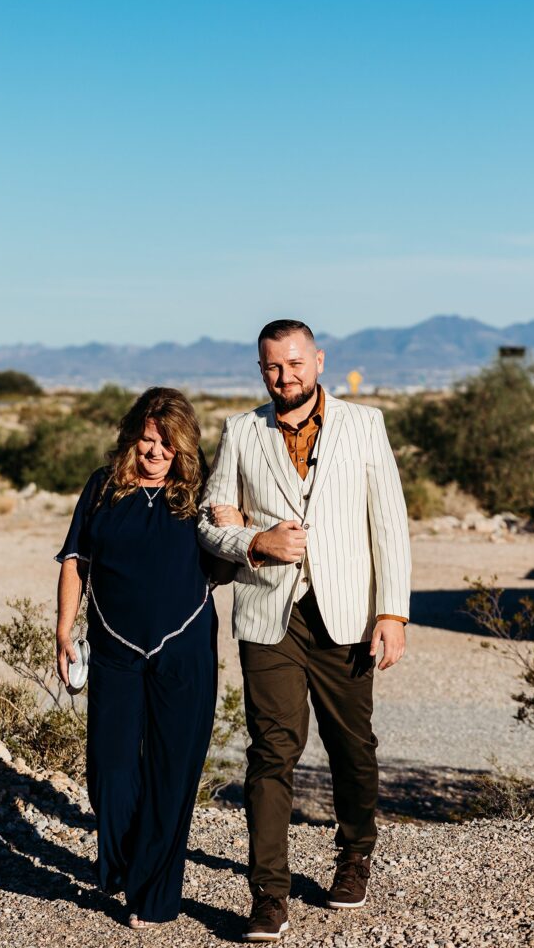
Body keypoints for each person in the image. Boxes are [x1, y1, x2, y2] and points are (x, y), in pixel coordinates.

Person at [198, 319, 411, 942]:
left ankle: (355, 854)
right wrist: (253, 541)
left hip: (347, 615)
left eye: (294, 363)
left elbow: (389, 525)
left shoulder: (364, 424)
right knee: (271, 751)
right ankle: (268, 894)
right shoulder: (241, 431)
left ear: (318, 360)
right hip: (270, 615)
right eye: (271, 367)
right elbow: (210, 526)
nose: (284, 377)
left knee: (353, 745)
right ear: (259, 369)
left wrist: (391, 614)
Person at [55, 387, 220, 929]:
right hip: (113, 649)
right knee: (111, 771)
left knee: (173, 774)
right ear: (132, 438)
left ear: (184, 449)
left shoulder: (199, 495)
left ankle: (152, 896)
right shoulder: (102, 489)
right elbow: (75, 559)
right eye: (148, 440)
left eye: (167, 445)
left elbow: (232, 548)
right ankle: (126, 862)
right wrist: (63, 628)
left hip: (186, 644)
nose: (155, 453)